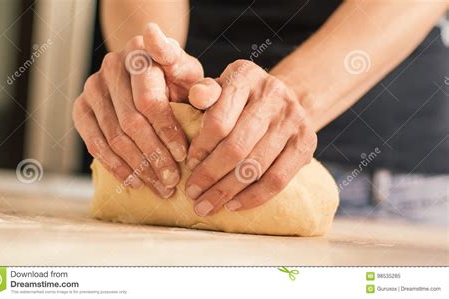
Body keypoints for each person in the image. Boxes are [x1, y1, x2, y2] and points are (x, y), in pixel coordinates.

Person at [73, 0, 448, 223]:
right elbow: (151, 40)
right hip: (165, 173)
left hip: (376, 180)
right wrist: (153, 72)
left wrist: (286, 102)